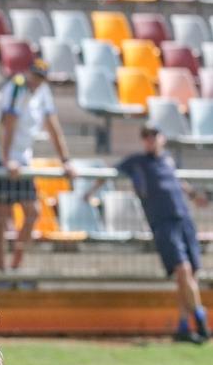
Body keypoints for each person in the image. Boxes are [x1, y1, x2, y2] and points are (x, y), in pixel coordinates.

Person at [85, 123, 210, 344]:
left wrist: (193, 196)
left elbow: (178, 182)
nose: (149, 140)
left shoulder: (168, 160)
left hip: (184, 219)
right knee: (183, 271)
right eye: (145, 136)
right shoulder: (137, 162)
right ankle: (201, 320)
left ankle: (183, 327)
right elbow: (108, 173)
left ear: (161, 138)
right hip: (163, 223)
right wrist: (90, 192)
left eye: (153, 135)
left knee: (191, 276)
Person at [0, 57, 74, 272]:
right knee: (1, 217)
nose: (36, 81)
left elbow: (53, 128)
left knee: (32, 211)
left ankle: (16, 262)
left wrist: (66, 160)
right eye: (34, 76)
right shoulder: (15, 88)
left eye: (41, 78)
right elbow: (7, 125)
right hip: (0, 159)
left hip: (22, 161)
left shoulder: (43, 93)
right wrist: (7, 161)